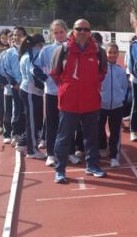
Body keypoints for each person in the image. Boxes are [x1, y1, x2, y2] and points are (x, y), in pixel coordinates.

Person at [51, 19, 106, 183]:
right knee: (64, 137)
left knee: (92, 137)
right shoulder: (63, 50)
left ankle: (93, 165)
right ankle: (60, 170)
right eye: (78, 29)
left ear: (90, 31)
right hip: (69, 103)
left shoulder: (98, 51)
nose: (82, 32)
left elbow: (102, 72)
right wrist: (67, 89)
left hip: (91, 102)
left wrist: (92, 85)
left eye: (86, 29)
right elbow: (55, 74)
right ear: (73, 31)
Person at [33, 20, 81, 167]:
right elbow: (35, 68)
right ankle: (51, 154)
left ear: (66, 31)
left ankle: (70, 152)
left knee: (69, 124)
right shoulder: (46, 50)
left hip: (70, 93)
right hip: (53, 93)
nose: (59, 35)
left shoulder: (73, 48)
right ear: (52, 34)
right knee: (53, 123)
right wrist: (47, 79)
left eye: (61, 32)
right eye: (56, 32)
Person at [16, 33, 46, 159]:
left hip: (31, 91)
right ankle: (32, 150)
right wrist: (46, 84)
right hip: (30, 91)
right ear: (38, 44)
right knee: (32, 121)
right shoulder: (32, 55)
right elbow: (33, 75)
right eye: (42, 45)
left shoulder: (28, 53)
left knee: (33, 120)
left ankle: (23, 143)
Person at [99, 43, 128, 167]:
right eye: (109, 52)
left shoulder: (121, 71)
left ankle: (114, 156)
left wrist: (120, 99)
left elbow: (124, 87)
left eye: (115, 52)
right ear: (105, 54)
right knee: (99, 129)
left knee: (115, 131)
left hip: (117, 105)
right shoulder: (100, 69)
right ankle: (101, 148)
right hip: (101, 105)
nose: (112, 55)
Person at [0, 26, 28, 146]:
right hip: (16, 87)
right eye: (15, 35)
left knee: (27, 110)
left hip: (27, 87)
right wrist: (14, 83)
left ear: (25, 36)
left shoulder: (29, 51)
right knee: (17, 109)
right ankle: (15, 133)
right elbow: (6, 70)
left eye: (19, 35)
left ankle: (26, 133)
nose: (16, 37)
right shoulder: (9, 53)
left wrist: (26, 82)